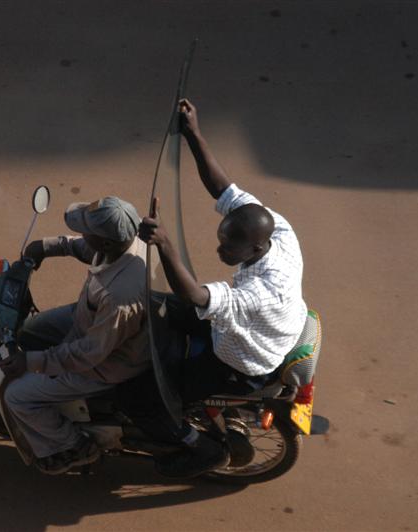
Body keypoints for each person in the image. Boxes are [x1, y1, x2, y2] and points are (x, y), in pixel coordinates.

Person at [120, 98, 309, 479]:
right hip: (257, 326)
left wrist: (165, 243)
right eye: (222, 241)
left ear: (255, 248)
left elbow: (197, 297)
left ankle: (200, 451)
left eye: (229, 248)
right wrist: (194, 134)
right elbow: (223, 188)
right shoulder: (275, 229)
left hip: (242, 359)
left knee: (145, 400)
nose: (220, 250)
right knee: (155, 305)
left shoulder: (262, 291)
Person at [0, 197, 151, 475]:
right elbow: (84, 248)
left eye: (86, 232)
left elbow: (90, 353)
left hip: (104, 365)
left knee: (18, 396)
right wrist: (46, 247)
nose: (82, 235)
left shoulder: (120, 296)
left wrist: (31, 361)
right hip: (89, 318)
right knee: (32, 330)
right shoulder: (127, 242)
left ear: (105, 242)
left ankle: (77, 447)